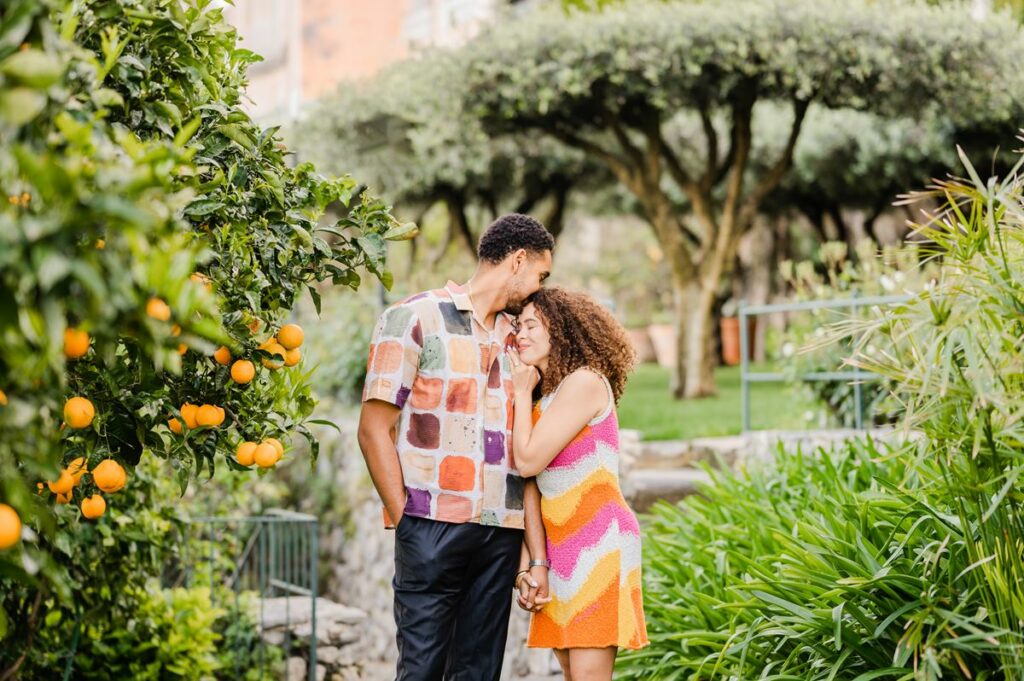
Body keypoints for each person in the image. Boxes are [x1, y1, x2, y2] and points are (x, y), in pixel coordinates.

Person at [357, 213, 554, 681]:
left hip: (500, 537)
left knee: (479, 674)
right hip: (429, 528)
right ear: (518, 261)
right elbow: (372, 429)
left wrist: (531, 555)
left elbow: (526, 452)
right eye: (540, 275)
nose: (539, 288)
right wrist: (406, 519)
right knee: (421, 671)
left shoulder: (520, 340)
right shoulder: (413, 317)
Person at [508, 287, 649, 681]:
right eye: (518, 325)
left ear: (563, 329)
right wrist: (532, 565)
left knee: (588, 675)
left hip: (598, 543)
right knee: (572, 673)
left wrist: (519, 392)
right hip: (559, 547)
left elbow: (527, 460)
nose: (521, 334)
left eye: (532, 325)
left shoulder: (584, 382)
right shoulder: (544, 399)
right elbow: (530, 486)